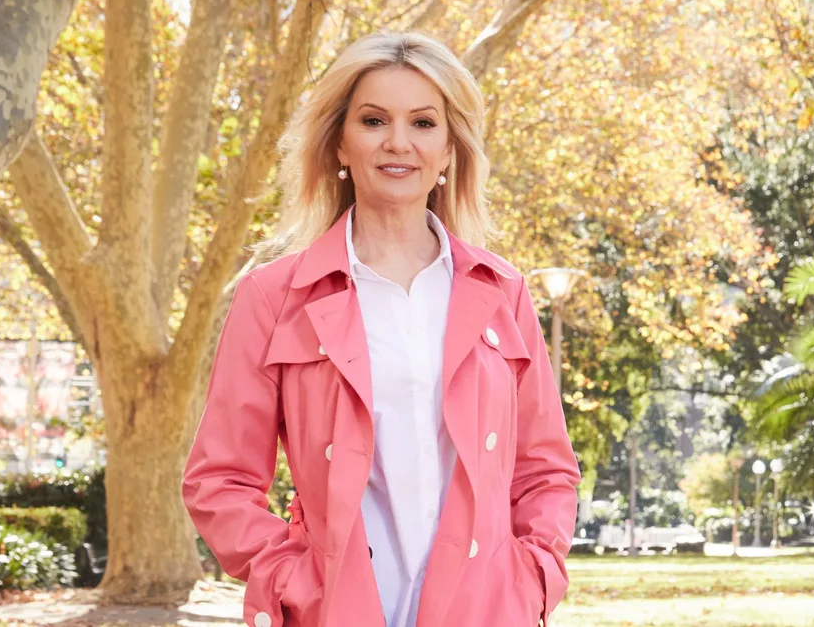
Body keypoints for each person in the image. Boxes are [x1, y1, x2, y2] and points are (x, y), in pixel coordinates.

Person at [182, 31, 580, 627]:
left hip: (486, 612)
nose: (398, 143)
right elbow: (221, 479)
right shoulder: (272, 297)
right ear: (340, 143)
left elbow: (546, 472)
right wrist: (290, 579)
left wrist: (532, 578)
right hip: (335, 612)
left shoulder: (503, 293)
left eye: (423, 123)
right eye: (373, 120)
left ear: (449, 149)